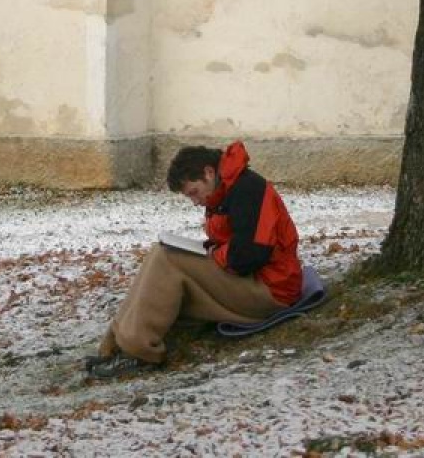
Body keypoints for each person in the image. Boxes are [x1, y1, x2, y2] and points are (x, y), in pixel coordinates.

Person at [87, 140, 303, 378]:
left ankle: (139, 352)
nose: (195, 201)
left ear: (209, 173)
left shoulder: (249, 189)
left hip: (271, 290)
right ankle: (114, 346)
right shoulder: (224, 189)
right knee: (160, 252)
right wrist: (212, 251)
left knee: (166, 259)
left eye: (194, 192)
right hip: (252, 281)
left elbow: (248, 256)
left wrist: (212, 254)